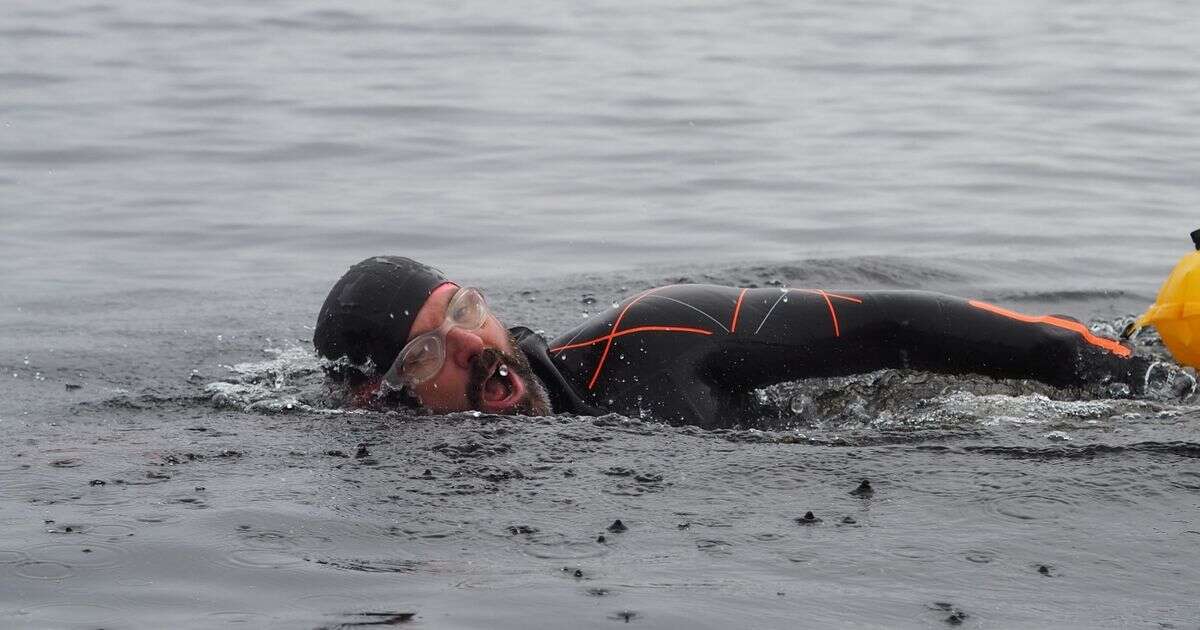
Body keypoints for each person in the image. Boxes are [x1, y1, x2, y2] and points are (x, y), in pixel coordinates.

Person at [314, 256, 1149, 427]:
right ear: (373, 400)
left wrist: (1133, 376)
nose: (472, 348)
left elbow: (896, 323)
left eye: (464, 312)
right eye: (426, 355)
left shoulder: (654, 336)